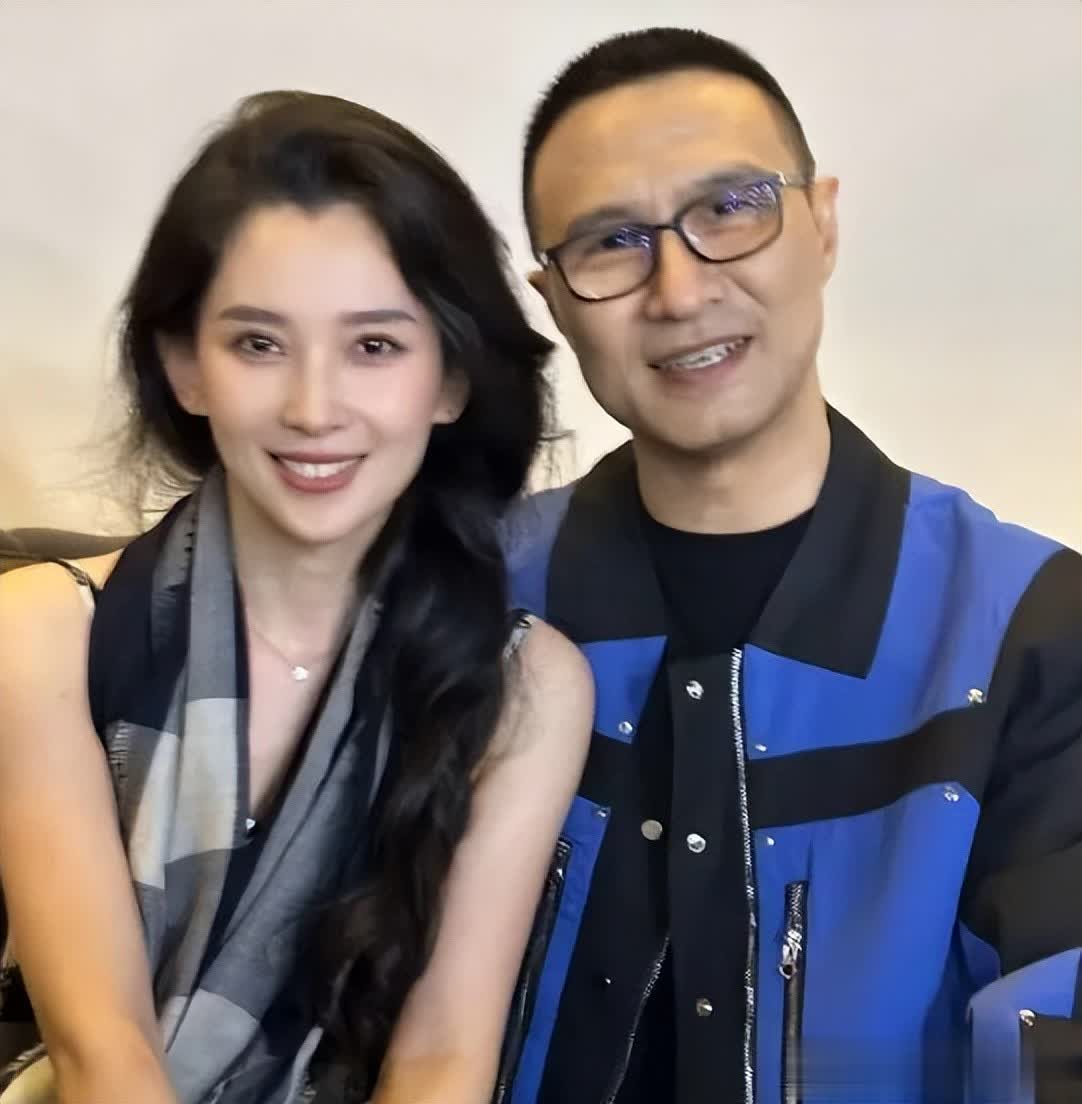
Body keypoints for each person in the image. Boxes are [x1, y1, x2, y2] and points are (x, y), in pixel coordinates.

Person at [497, 26, 1082, 1104]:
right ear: (554, 298)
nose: (679, 292)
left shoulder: (1030, 631)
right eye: (612, 242)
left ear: (821, 225)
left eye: (730, 207)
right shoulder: (475, 599)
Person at [0, 90, 593, 1104]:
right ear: (184, 367)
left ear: (450, 381)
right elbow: (106, 1056)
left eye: (374, 347)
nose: (314, 410)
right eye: (258, 345)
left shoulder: (527, 686)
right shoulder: (40, 636)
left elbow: (443, 1058)